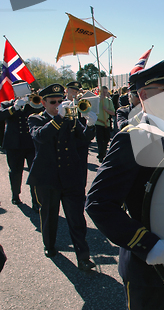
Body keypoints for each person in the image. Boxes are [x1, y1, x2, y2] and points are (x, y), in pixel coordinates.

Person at [86, 57, 164, 309]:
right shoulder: (132, 139)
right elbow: (98, 203)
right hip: (147, 267)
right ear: (143, 95)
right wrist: (147, 244)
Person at [27, 83, 97, 271]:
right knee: (49, 215)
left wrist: (90, 126)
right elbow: (40, 136)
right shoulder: (35, 119)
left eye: (60, 101)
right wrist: (59, 118)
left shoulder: (69, 118)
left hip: (70, 176)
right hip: (47, 178)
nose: (58, 104)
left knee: (76, 218)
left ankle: (83, 256)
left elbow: (83, 138)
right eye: (53, 102)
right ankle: (49, 245)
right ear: (43, 102)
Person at [0, 81, 42, 210]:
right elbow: (1, 115)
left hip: (30, 144)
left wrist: (32, 103)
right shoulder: (6, 104)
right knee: (15, 171)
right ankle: (15, 195)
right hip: (13, 145)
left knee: (34, 172)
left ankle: (36, 201)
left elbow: (42, 111)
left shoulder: (33, 104)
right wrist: (15, 108)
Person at [65, 81, 95, 183]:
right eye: (72, 90)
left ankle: (82, 194)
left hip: (81, 142)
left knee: (82, 171)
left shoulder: (82, 103)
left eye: (76, 91)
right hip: (67, 143)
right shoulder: (60, 104)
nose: (74, 93)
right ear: (67, 90)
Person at [95, 86, 116, 163]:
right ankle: (101, 155)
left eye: (106, 92)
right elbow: (92, 109)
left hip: (106, 123)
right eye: (103, 92)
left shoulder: (109, 101)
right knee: (100, 140)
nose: (104, 93)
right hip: (98, 122)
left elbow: (113, 112)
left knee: (106, 139)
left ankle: (103, 153)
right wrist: (99, 101)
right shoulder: (96, 100)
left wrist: (106, 110)